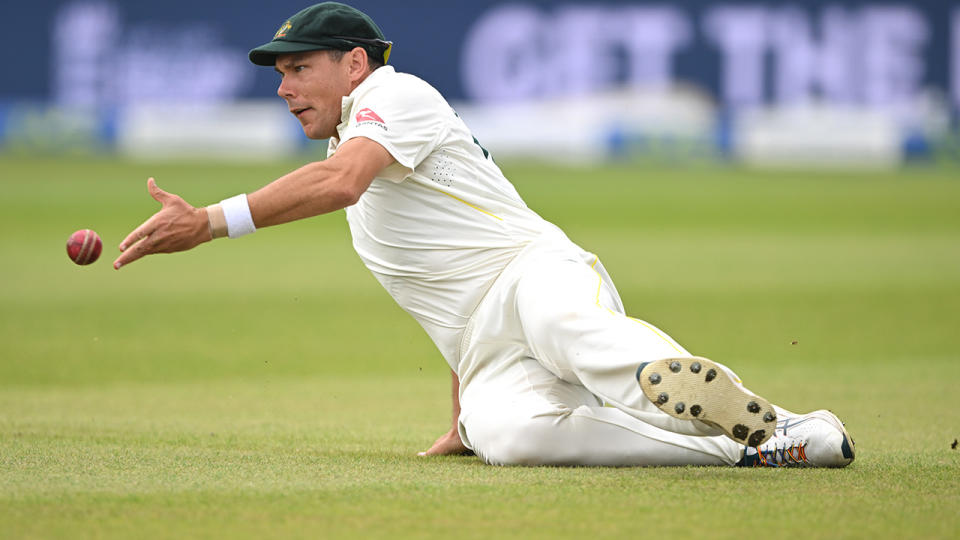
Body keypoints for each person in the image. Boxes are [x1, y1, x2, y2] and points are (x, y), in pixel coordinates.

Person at [114, 2, 855, 468]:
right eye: (279, 74)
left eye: (298, 70)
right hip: (480, 343)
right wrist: (460, 416)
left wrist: (211, 221)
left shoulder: (393, 95)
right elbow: (450, 292)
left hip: (535, 272)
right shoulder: (349, 146)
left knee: (568, 328)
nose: (283, 89)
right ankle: (750, 447)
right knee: (509, 437)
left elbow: (341, 183)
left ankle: (776, 417)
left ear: (354, 63)